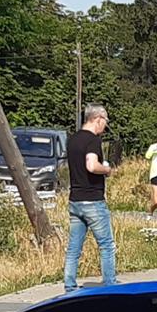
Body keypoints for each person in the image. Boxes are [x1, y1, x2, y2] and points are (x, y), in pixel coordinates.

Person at [65, 104, 117, 292]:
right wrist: (107, 169)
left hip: (75, 199)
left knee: (74, 247)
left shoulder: (73, 140)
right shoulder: (93, 141)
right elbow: (92, 165)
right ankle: (111, 285)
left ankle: (70, 285)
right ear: (98, 119)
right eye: (105, 122)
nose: (105, 126)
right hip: (93, 200)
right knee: (106, 245)